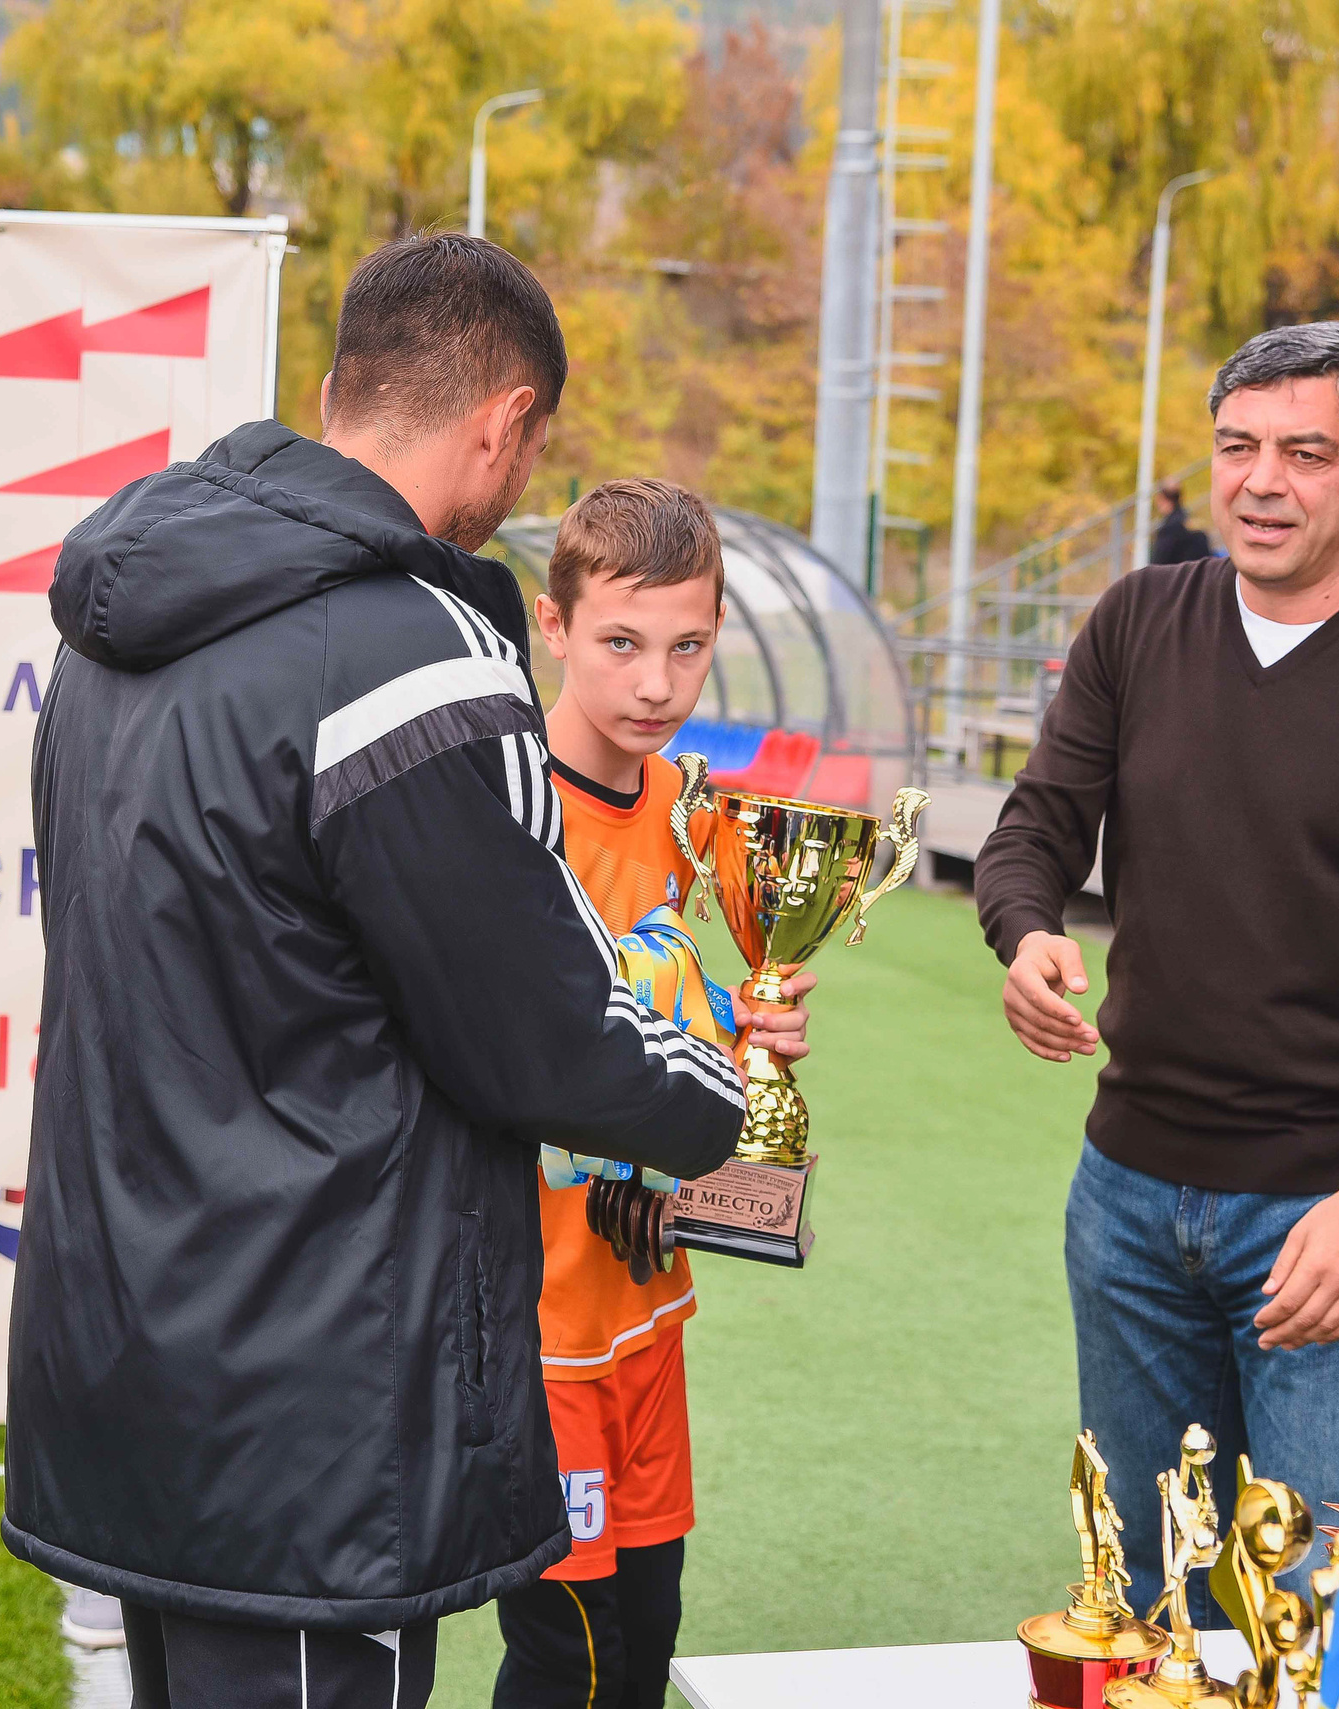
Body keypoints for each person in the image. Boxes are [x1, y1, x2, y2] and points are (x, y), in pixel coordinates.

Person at [5, 234, 787, 1709]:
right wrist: (725, 1090)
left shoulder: (114, 627)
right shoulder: (409, 652)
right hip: (310, 1375)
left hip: (130, 1330)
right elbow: (539, 1036)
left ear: (333, 390)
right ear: (506, 424)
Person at [973, 321, 1339, 1614]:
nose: (1261, 481)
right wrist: (1025, 932)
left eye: (1306, 452)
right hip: (1126, 1199)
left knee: (1318, 1604)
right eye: (1238, 446)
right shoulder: (1140, 618)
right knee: (1144, 1588)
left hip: (1332, 1216)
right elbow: (1034, 830)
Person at [491, 480, 815, 1709]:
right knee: (567, 1659)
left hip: (646, 1307)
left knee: (646, 1631)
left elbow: (728, 1002)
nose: (654, 684)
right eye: (621, 643)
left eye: (687, 646)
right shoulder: (504, 808)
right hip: (537, 1326)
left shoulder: (697, 813)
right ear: (554, 626)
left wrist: (765, 1028)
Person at [1149, 480, 1212, 564]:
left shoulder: (1169, 528)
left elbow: (1158, 562)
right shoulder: (1192, 521)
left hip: (1178, 574)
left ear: (1162, 499)